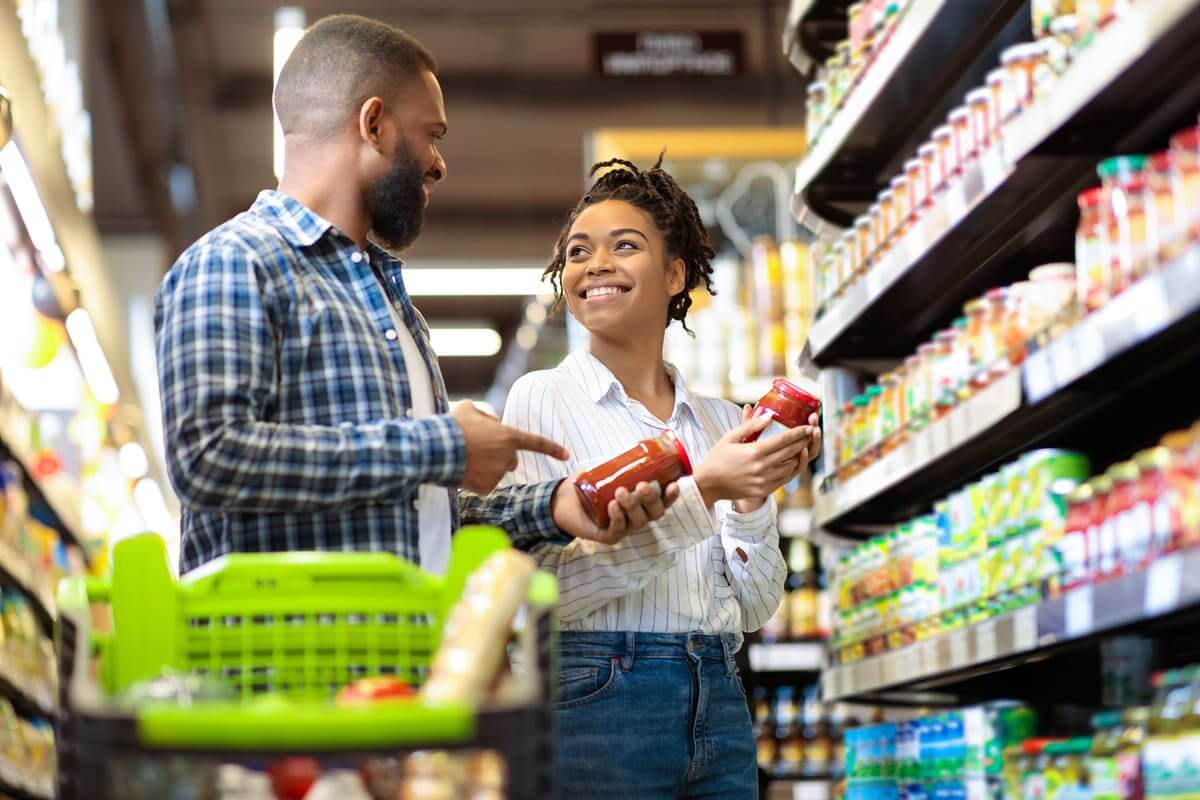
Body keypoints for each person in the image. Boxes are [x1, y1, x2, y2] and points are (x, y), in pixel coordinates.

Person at [154, 14, 674, 574]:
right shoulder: (234, 263)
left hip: (401, 650)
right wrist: (441, 445)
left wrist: (554, 505)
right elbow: (208, 459)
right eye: (433, 134)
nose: (440, 163)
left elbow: (417, 511)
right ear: (374, 123)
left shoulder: (387, 302)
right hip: (284, 656)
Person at [501, 157, 822, 799]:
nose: (596, 265)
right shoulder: (544, 400)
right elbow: (548, 594)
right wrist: (705, 492)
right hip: (599, 696)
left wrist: (753, 497)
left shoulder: (720, 420)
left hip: (721, 693)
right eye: (578, 252)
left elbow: (757, 607)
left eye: (625, 246)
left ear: (675, 274)